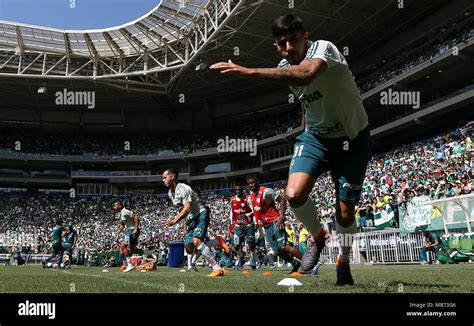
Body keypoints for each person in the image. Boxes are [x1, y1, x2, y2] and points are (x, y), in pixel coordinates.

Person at [211, 14, 371, 285]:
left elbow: (307, 76)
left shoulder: (324, 49)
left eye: (293, 40)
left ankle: (343, 260)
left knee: (345, 212)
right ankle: (318, 237)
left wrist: (248, 71)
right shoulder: (284, 65)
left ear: (305, 36)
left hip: (353, 138)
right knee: (293, 194)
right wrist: (306, 125)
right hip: (316, 138)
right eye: (281, 43)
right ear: (276, 47)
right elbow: (304, 97)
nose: (289, 48)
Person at [162, 168, 224, 277]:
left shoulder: (183, 188)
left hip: (199, 214)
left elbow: (188, 207)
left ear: (172, 177)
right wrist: (183, 222)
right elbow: (182, 209)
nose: (163, 180)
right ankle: (216, 242)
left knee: (196, 241)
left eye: (164, 177)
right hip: (190, 220)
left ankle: (216, 267)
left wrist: (175, 220)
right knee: (189, 246)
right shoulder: (170, 193)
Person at [246, 175, 302, 274]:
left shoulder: (266, 191)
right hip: (266, 227)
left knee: (284, 247)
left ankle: (309, 263)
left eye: (252, 182)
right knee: (277, 251)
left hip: (276, 222)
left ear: (257, 182)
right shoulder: (250, 198)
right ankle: (295, 263)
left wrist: (281, 216)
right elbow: (256, 212)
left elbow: (282, 200)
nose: (250, 185)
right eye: (249, 183)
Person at [229, 182, 259, 270]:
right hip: (238, 225)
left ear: (243, 190)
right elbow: (232, 212)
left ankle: (253, 263)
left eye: (240, 189)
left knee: (251, 244)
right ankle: (241, 257)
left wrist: (246, 215)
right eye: (237, 190)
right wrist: (231, 223)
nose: (238, 191)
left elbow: (254, 210)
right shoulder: (232, 199)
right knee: (236, 246)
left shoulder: (248, 198)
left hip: (248, 224)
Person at [113, 201, 141, 273]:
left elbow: (136, 217)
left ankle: (129, 265)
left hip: (131, 230)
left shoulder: (125, 211)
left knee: (123, 246)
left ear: (119, 206)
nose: (114, 207)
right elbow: (122, 225)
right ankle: (145, 258)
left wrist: (135, 228)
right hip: (129, 230)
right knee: (132, 250)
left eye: (115, 205)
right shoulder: (121, 214)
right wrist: (118, 234)